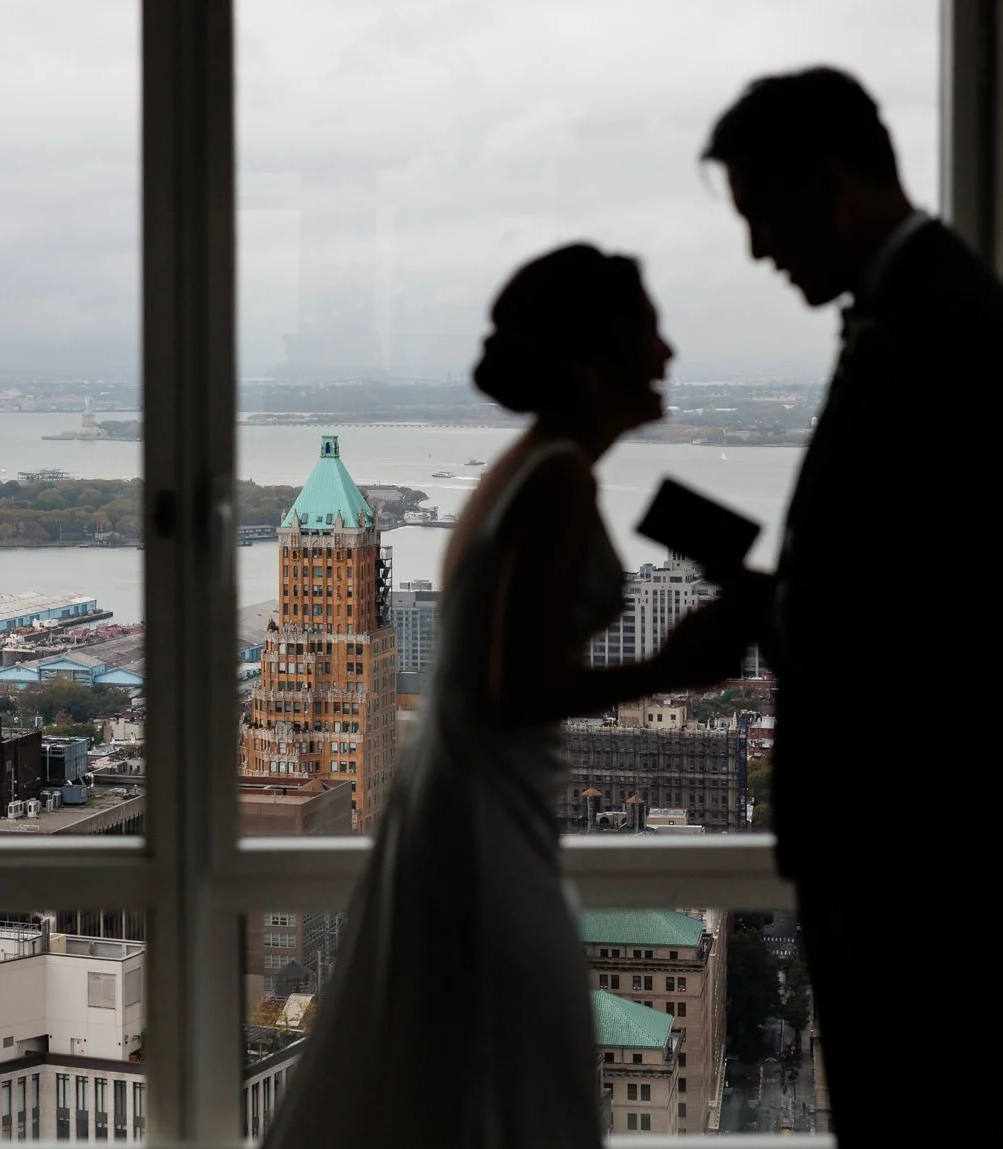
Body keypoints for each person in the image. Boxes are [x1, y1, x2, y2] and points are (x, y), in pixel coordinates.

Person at [263, 245, 756, 1148]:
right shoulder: (555, 481)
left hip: (472, 802)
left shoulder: (540, 468)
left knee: (458, 1066)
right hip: (486, 814)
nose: (668, 354)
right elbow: (511, 689)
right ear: (589, 356)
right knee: (525, 1069)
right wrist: (676, 663)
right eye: (647, 330)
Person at [702, 67, 1003, 1145]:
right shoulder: (927, 312)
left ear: (831, 188)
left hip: (914, 836)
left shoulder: (937, 326)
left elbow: (922, 613)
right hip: (919, 832)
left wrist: (781, 611)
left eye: (763, 217)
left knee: (933, 1117)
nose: (759, 253)